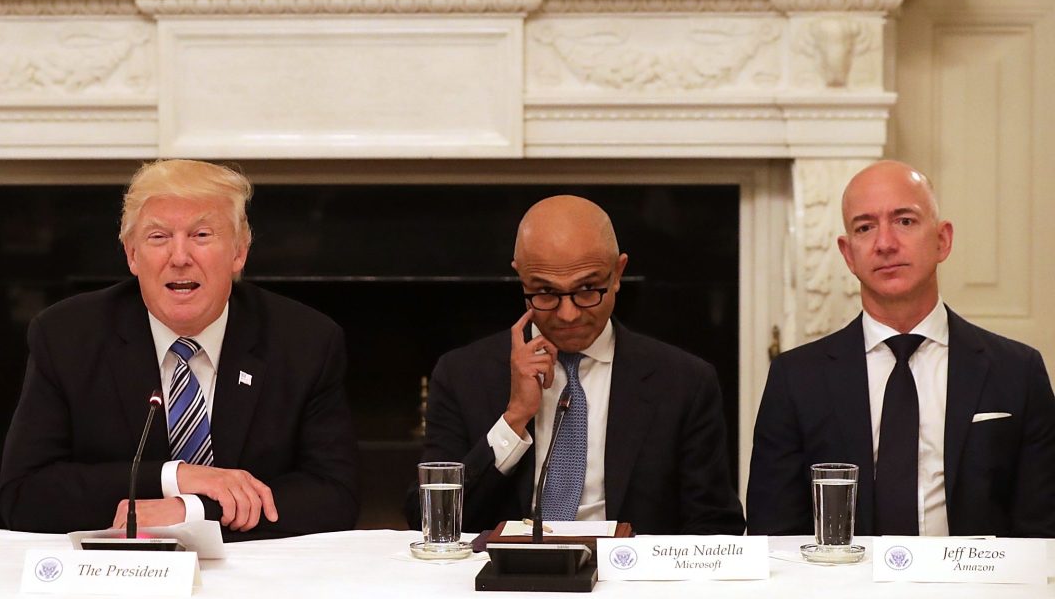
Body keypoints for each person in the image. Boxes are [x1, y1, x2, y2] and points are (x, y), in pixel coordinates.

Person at [0, 158, 359, 540]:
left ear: (239, 252)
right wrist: (175, 476)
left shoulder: (304, 341)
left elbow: (335, 496)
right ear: (131, 255)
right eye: (158, 237)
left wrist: (191, 509)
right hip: (118, 579)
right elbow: (24, 495)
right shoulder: (67, 336)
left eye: (202, 235)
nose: (180, 257)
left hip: (253, 578)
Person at [747, 161, 1055, 537]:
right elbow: (774, 534)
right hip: (840, 591)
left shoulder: (1017, 371)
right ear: (848, 254)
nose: (885, 243)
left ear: (942, 240)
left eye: (905, 221)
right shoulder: (795, 379)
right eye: (865, 227)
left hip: (977, 591)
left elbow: (1041, 529)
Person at [415, 195, 745, 534]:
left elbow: (716, 526)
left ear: (618, 273)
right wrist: (514, 419)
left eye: (588, 290)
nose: (568, 314)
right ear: (521, 278)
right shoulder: (462, 374)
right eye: (545, 292)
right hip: (504, 580)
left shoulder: (684, 381)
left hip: (633, 578)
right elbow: (429, 520)